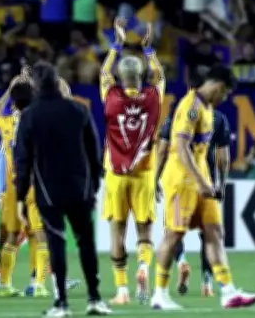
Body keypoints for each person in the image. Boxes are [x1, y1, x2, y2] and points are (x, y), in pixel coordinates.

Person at [150, 64, 255, 311]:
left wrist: (211, 182)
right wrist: (201, 182)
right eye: (225, 93)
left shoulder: (207, 108)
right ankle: (159, 294)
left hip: (200, 181)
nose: (225, 98)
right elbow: (180, 147)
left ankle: (228, 292)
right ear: (218, 86)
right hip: (182, 181)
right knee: (174, 234)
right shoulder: (190, 107)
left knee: (214, 231)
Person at [14, 62, 110, 317]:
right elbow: (94, 150)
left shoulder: (30, 116)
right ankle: (94, 298)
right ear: (58, 83)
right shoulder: (79, 110)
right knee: (86, 242)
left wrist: (20, 196)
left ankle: (62, 303)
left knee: (56, 242)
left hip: (48, 191)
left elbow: (22, 160)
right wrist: (94, 184)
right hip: (80, 188)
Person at [99, 18, 165, 305]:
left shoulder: (112, 96)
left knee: (117, 230)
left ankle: (122, 290)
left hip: (116, 173)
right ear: (140, 77)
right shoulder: (152, 97)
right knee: (144, 231)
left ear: (121, 79)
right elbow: (160, 78)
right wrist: (149, 51)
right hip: (145, 173)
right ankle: (142, 267)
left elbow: (103, 74)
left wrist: (117, 44)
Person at [156, 109, 232, 298]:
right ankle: (207, 283)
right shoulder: (219, 118)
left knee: (173, 231)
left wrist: (155, 179)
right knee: (209, 233)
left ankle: (180, 262)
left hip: (179, 179)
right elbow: (223, 157)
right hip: (206, 179)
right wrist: (221, 184)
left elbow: (162, 149)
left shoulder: (176, 114)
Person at [0, 74, 50, 297]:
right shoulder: (40, 123)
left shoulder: (6, 124)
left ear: (13, 103)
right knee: (40, 234)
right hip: (35, 185)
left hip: (13, 188)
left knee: (12, 235)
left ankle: (4, 283)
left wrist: (9, 88)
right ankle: (39, 284)